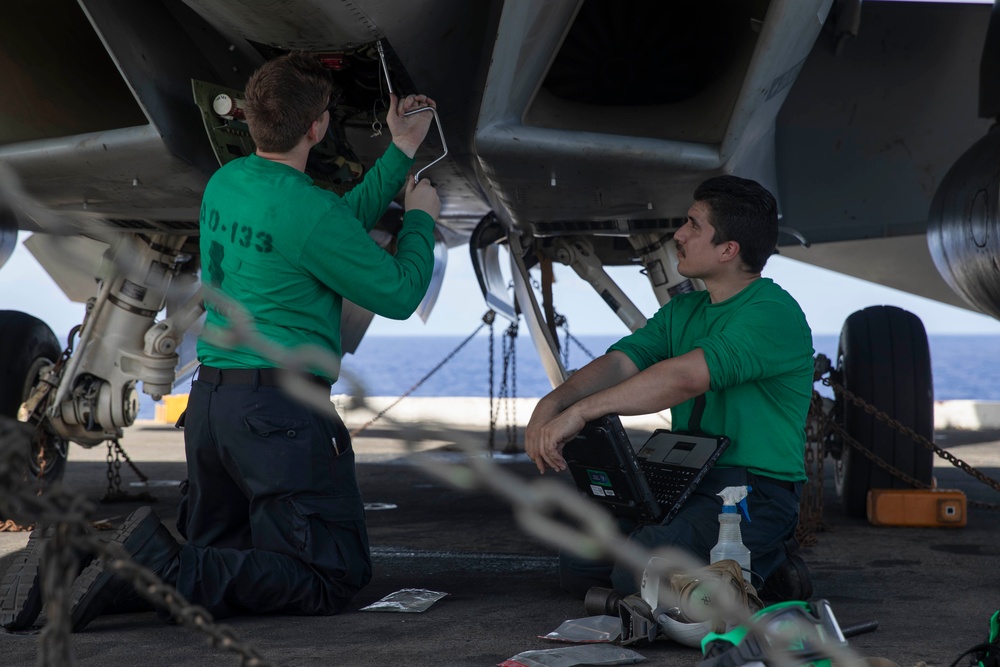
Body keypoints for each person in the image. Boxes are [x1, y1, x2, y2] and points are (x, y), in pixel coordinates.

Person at [0, 50, 441, 631]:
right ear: (318, 126)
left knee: (215, 572)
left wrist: (400, 150)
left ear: (253, 121)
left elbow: (328, 224)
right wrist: (420, 218)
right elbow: (402, 293)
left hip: (213, 409)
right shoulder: (306, 211)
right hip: (277, 418)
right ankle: (140, 557)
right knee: (328, 575)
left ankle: (78, 559)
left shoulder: (225, 185)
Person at [524, 175, 814, 601]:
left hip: (755, 488)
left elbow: (685, 377)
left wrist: (583, 412)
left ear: (728, 250)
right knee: (581, 563)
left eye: (694, 226)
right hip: (688, 477)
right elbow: (622, 361)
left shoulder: (772, 312)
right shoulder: (683, 310)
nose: (678, 234)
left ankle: (769, 562)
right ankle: (717, 570)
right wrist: (554, 403)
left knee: (639, 571)